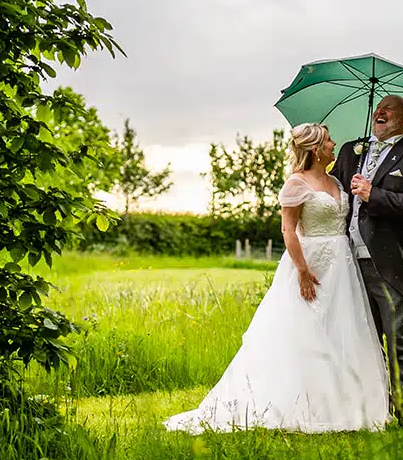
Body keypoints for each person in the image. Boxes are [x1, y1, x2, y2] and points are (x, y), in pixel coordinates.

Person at [164, 123, 390, 433]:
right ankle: (289, 404)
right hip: (311, 263)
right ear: (314, 149)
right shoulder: (295, 184)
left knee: (341, 331)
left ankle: (341, 404)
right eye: (328, 141)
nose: (333, 143)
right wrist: (302, 271)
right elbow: (288, 230)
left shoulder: (337, 181)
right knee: (302, 333)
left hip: (342, 265)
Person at [329, 95, 403, 422]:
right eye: (378, 109)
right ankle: (370, 412)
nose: (381, 113)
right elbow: (329, 190)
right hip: (346, 261)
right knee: (361, 341)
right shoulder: (351, 150)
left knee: (398, 339)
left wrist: (373, 194)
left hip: (387, 263)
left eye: (389, 110)